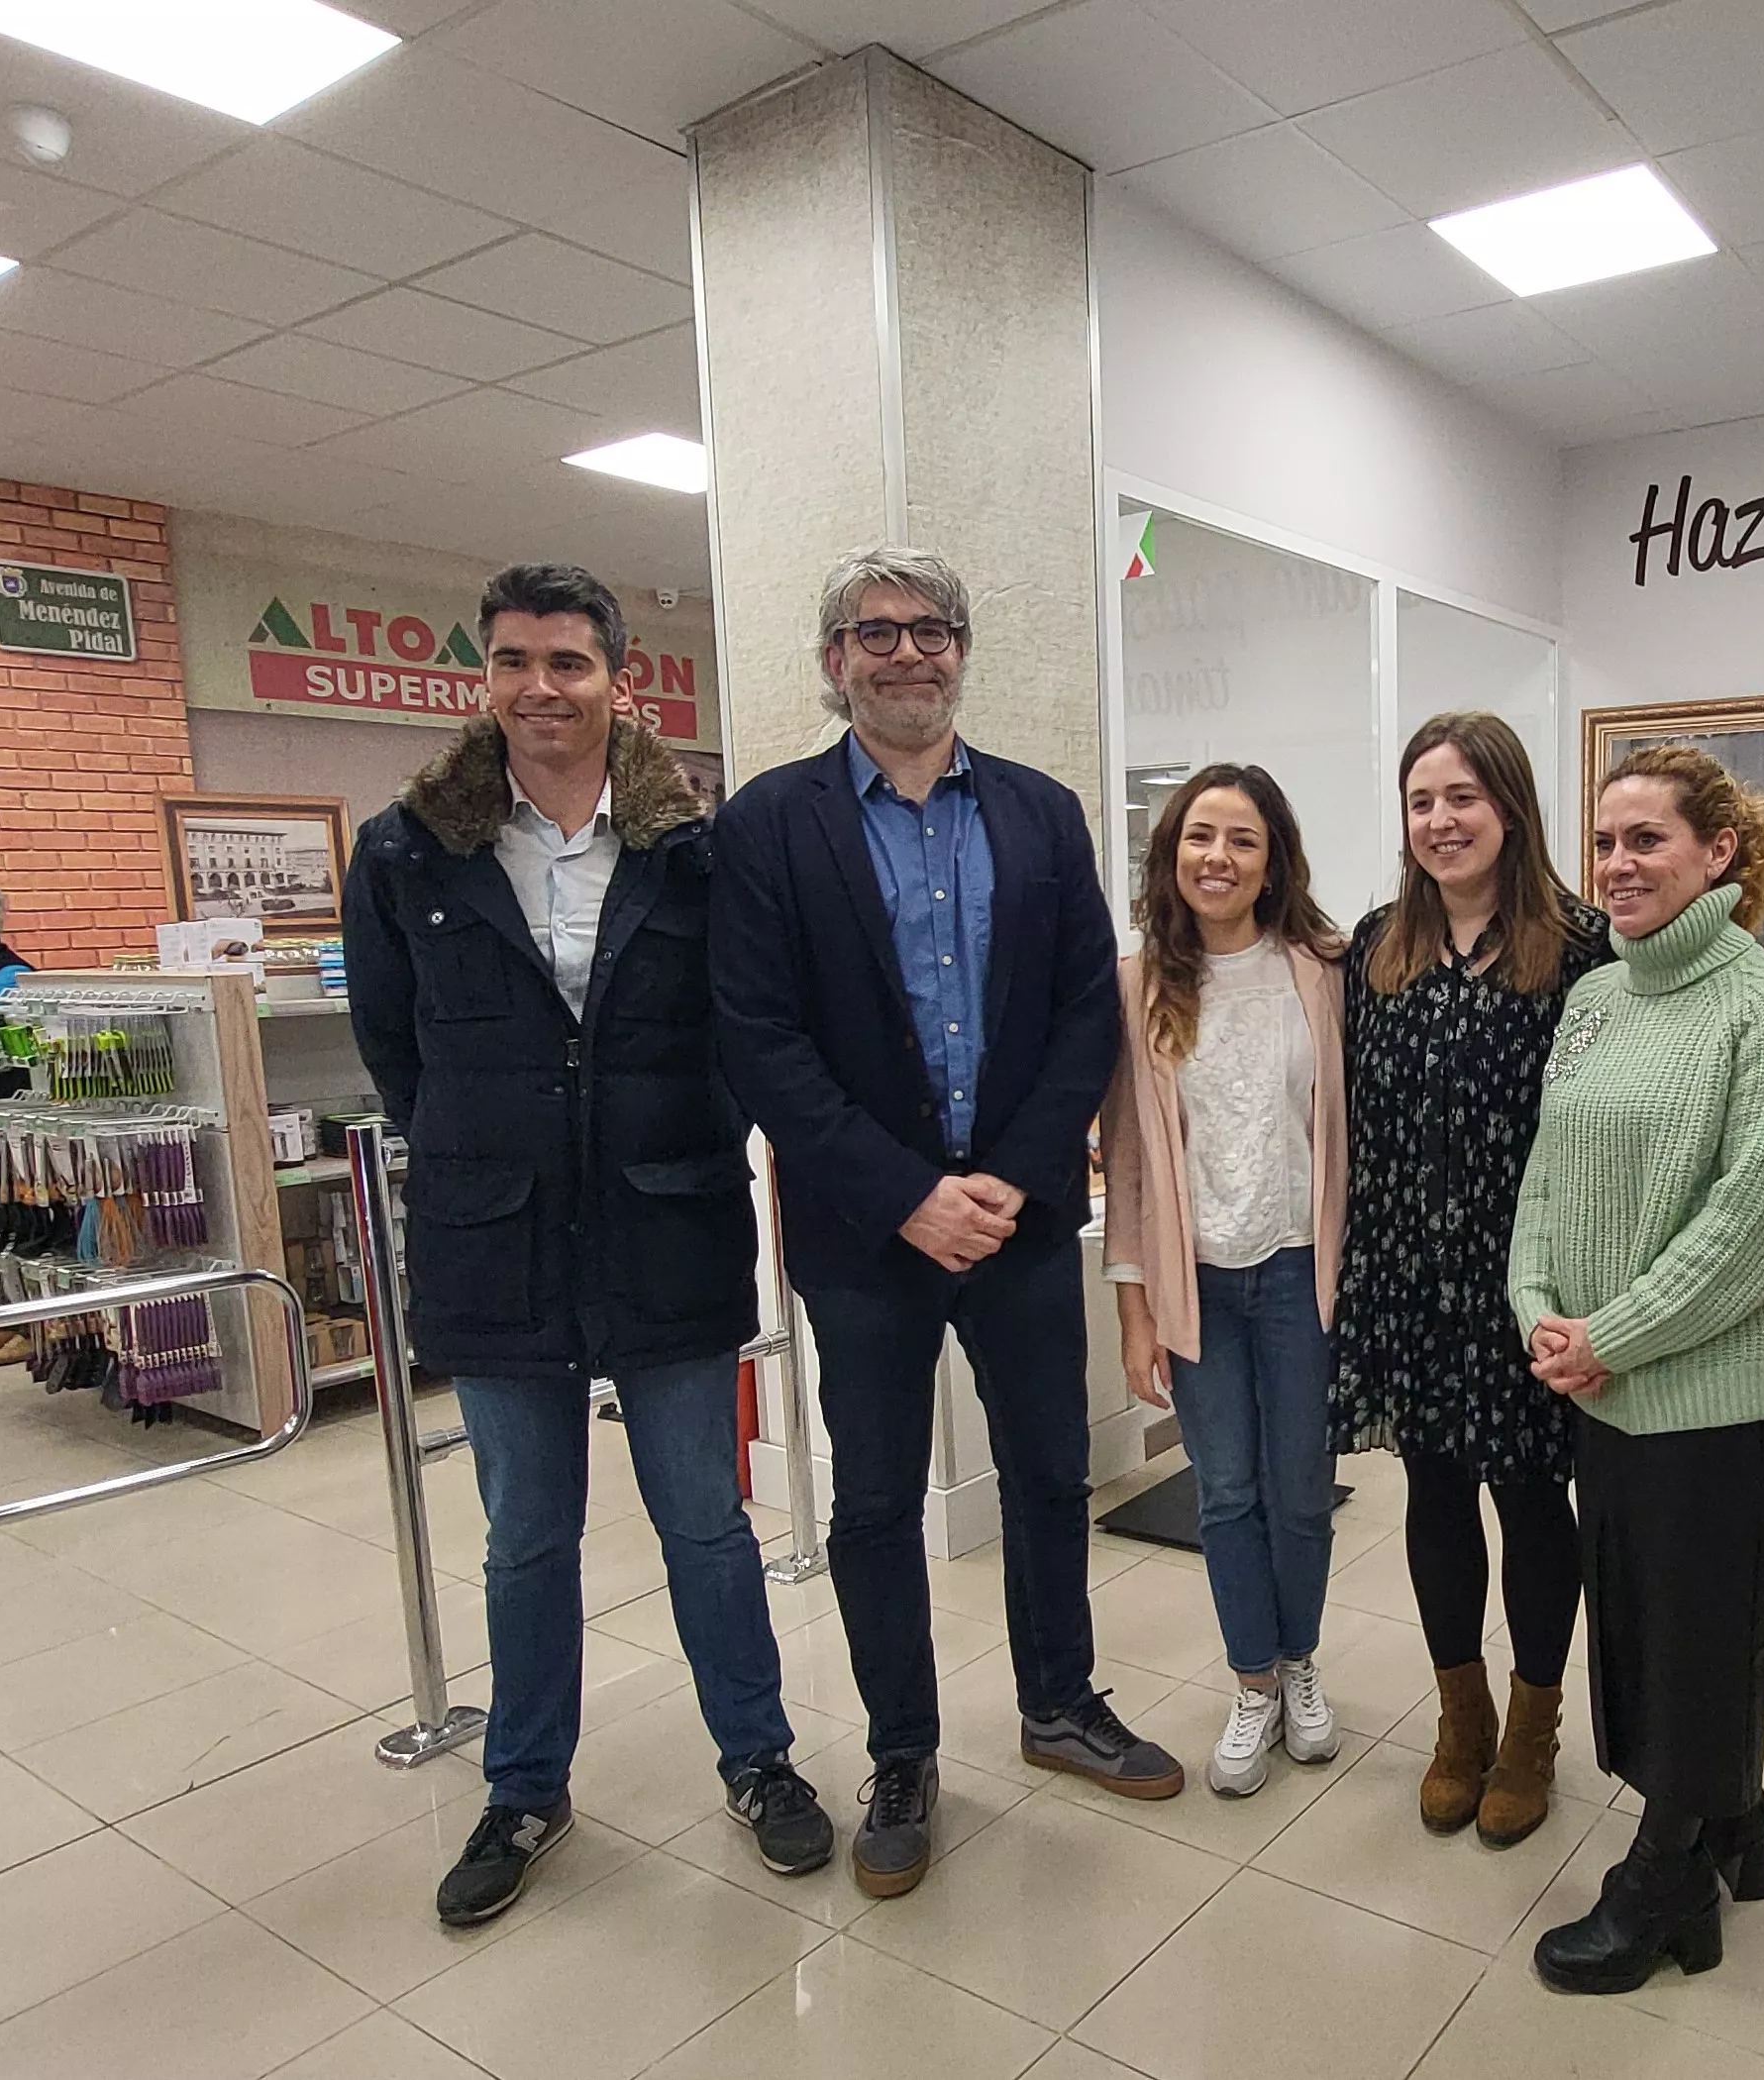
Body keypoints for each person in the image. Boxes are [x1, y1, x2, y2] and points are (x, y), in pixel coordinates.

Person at [347, 563, 828, 1927]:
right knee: (526, 1536)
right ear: (483, 676)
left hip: (666, 1224)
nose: (539, 688)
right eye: (514, 661)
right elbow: (398, 1051)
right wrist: (491, 1144)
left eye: (568, 662)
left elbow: (743, 1031)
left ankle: (761, 1761)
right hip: (492, 1240)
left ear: (623, 680)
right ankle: (524, 1788)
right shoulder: (406, 850)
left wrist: (676, 1139)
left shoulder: (695, 847)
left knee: (707, 1523)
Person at [711, 546, 1181, 1898]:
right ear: (834, 661)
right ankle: (904, 1754)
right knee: (873, 1503)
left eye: (931, 630)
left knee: (1046, 1471)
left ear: (963, 651)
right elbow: (760, 1037)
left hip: (1021, 1219)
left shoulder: (1041, 815)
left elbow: (1087, 1006)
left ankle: (1058, 1703)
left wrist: (1016, 1181)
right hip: (866, 1235)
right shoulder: (771, 825)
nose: (906, 652)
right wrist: (906, 1192)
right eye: (877, 633)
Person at [1509, 743, 1764, 1995]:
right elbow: (1544, 1172)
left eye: (1646, 840)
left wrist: (1613, 1336)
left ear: (1717, 856)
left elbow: (1752, 1226)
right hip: (1599, 1384)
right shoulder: (1595, 999)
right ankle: (1731, 1820)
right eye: (1605, 841)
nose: (1619, 864)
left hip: (1707, 1392)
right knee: (1637, 1625)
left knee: (1704, 1633)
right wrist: (1539, 1307)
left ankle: (1668, 1879)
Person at [1329, 713, 1608, 1847]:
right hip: (1405, 1271)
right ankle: (1461, 1719)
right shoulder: (1372, 946)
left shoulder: (1584, 948)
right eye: (1420, 802)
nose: (1440, 821)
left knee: (1535, 1500)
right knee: (1434, 1493)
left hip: (1526, 1280)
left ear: (1509, 807)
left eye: (1461, 798)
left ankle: (1534, 1730)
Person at [1102, 765, 1347, 1798]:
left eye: (1241, 840)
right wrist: (1132, 1309)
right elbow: (1122, 1160)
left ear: (1272, 860)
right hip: (1194, 1281)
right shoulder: (1137, 983)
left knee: (1299, 1493)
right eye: (1199, 836)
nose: (1218, 857)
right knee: (1226, 1492)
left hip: (1299, 1275)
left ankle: (1300, 1664)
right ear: (1170, 856)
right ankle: (1251, 1680)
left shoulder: (1323, 971)